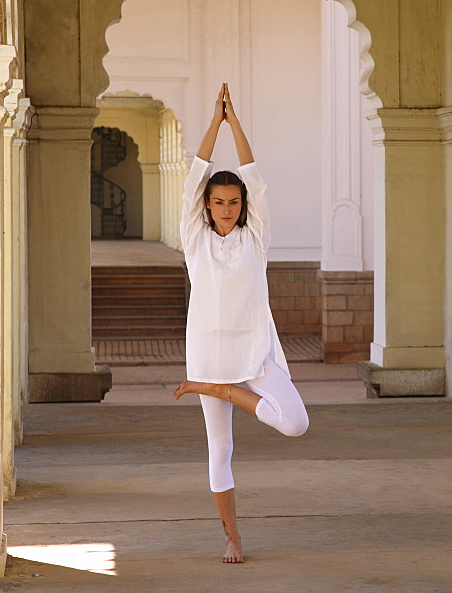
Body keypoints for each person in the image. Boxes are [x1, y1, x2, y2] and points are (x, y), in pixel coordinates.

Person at [173, 83, 309, 564]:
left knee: (294, 423)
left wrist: (237, 124)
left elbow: (254, 176)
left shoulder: (256, 238)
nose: (226, 209)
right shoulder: (194, 239)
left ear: (242, 206)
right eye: (218, 202)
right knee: (220, 449)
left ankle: (222, 391)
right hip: (209, 354)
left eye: (233, 202)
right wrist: (215, 123)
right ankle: (231, 537)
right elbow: (194, 178)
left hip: (253, 354)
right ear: (207, 207)